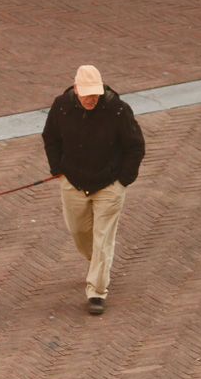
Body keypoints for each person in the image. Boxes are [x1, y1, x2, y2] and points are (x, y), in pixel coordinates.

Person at [41, 65, 146, 315]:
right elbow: (50, 137)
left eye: (95, 93)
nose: (91, 99)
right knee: (78, 231)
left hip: (109, 184)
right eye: (86, 93)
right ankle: (98, 265)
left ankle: (97, 291)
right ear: (75, 89)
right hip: (73, 182)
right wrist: (57, 169)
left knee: (103, 239)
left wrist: (124, 180)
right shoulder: (61, 106)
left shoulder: (118, 110)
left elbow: (135, 146)